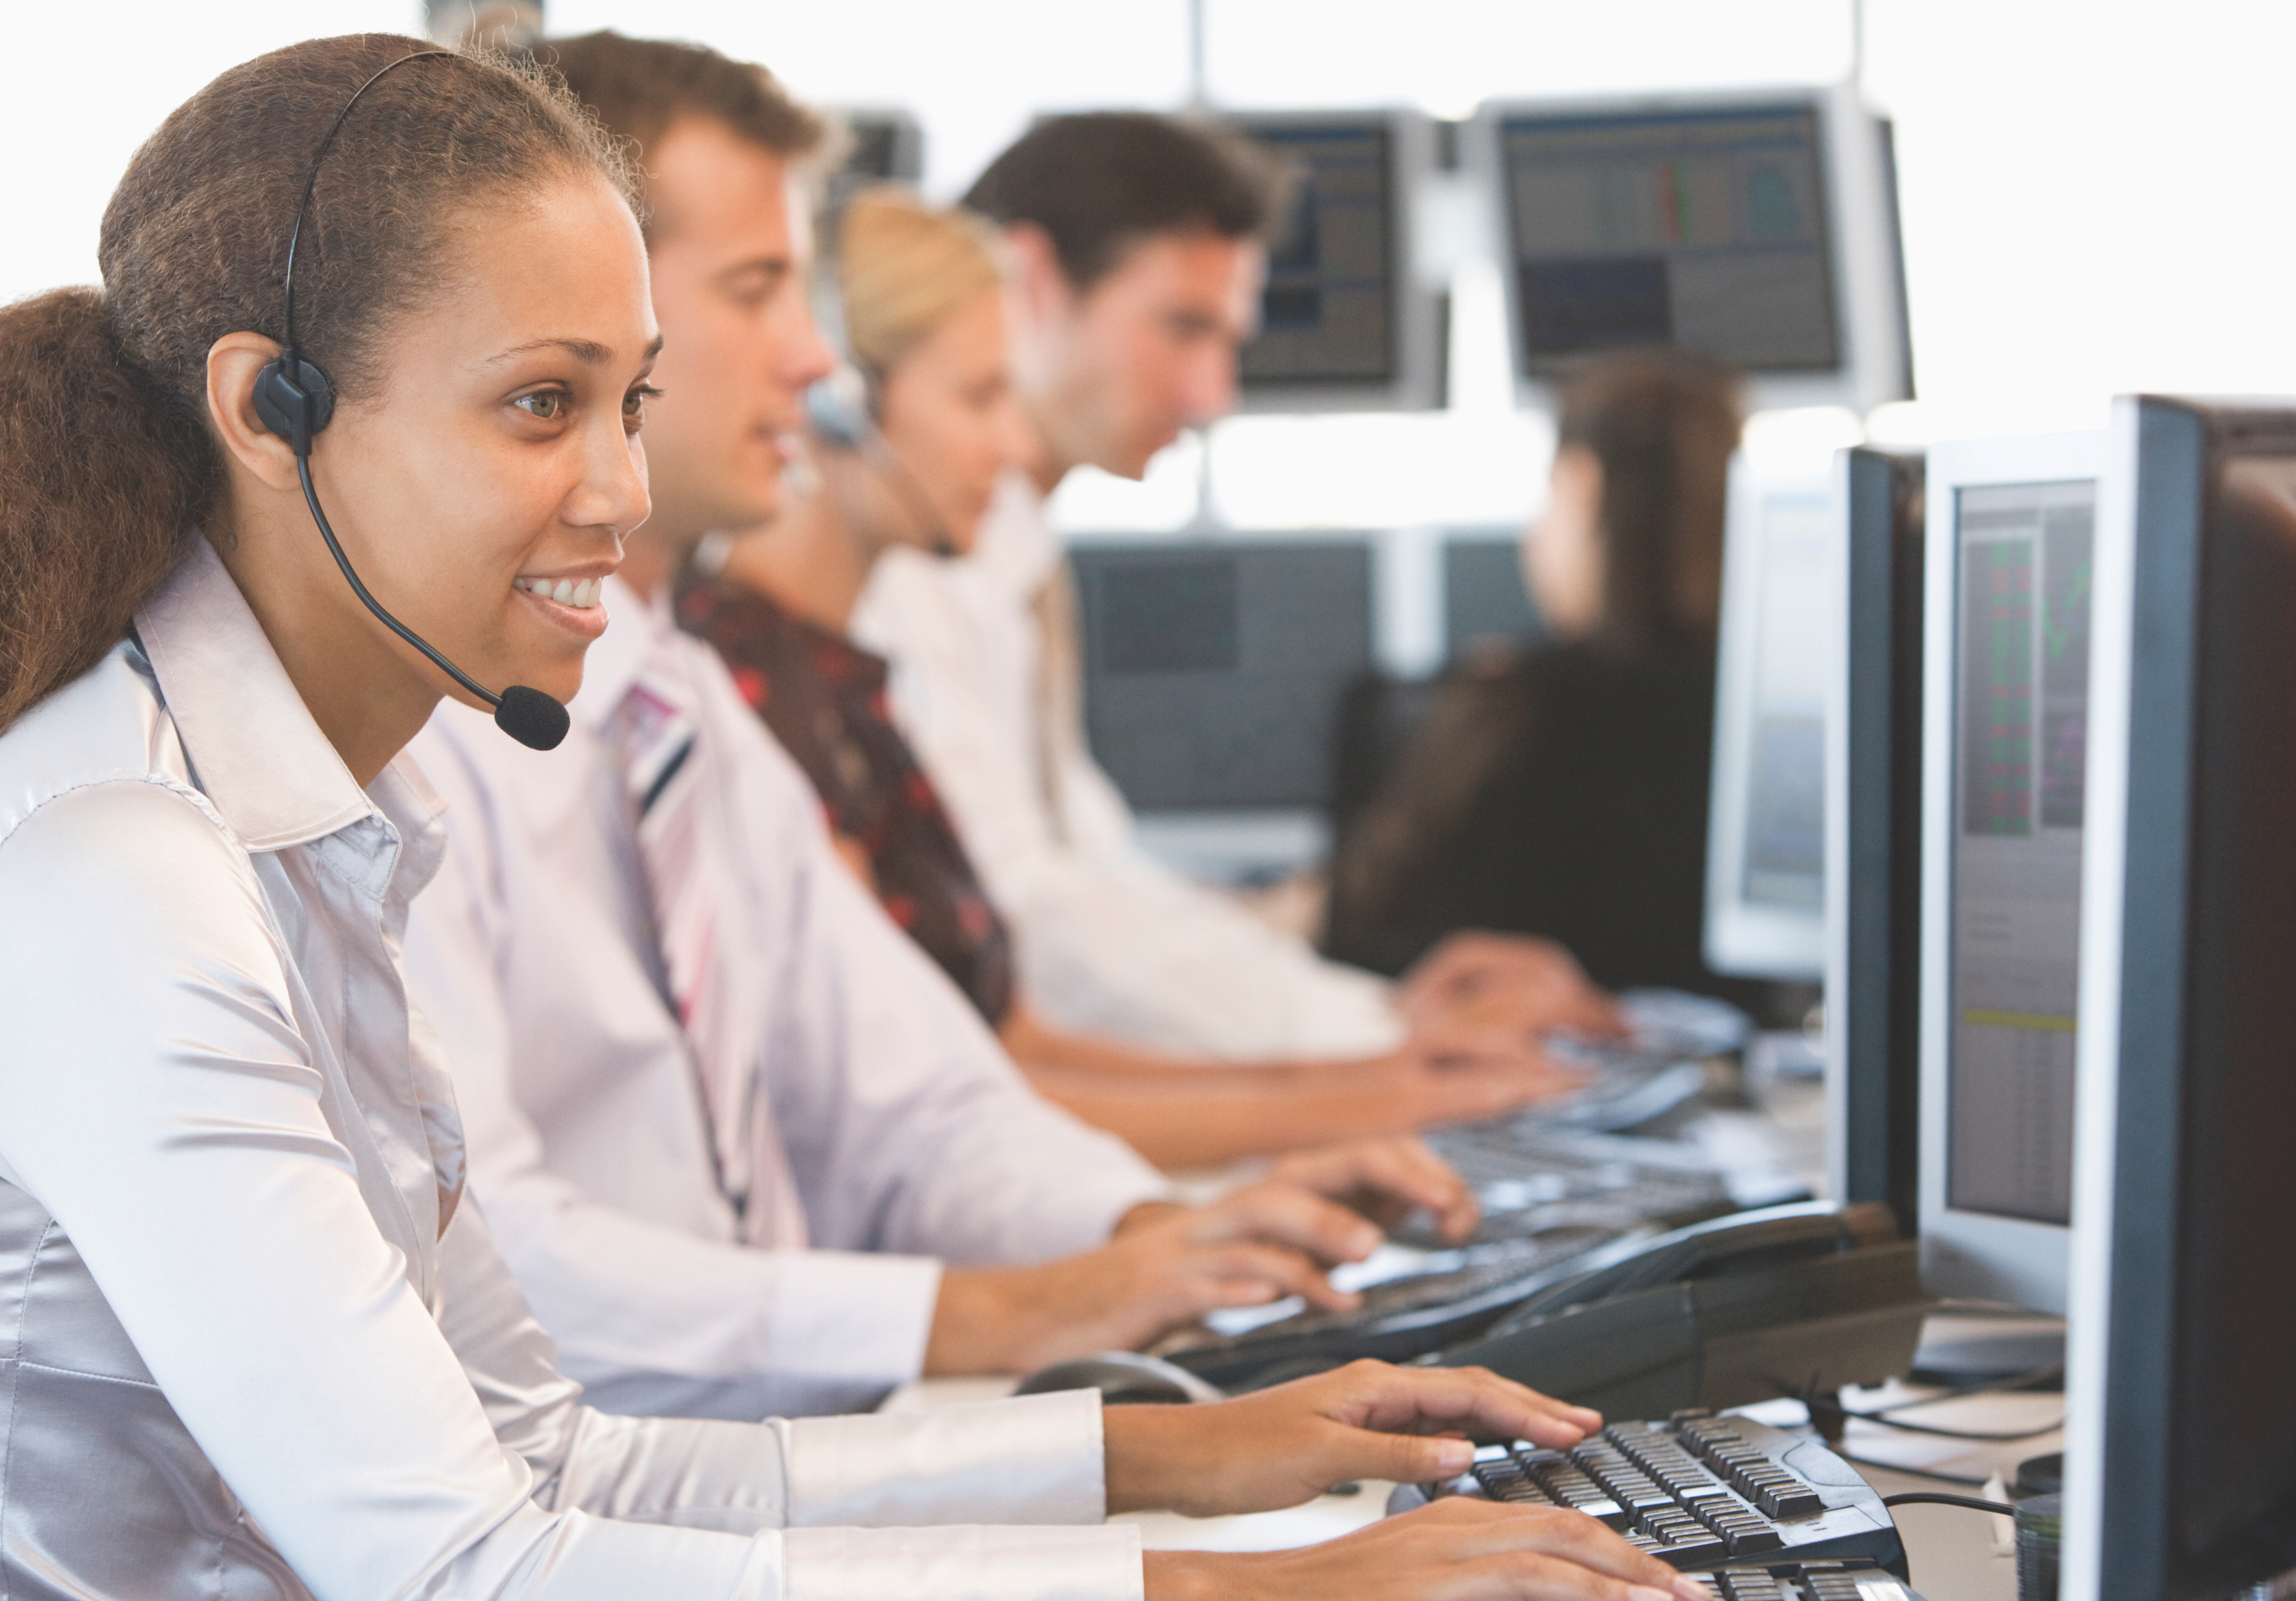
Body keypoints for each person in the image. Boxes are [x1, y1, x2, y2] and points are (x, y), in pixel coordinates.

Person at [0, 39, 1705, 1601]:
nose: (618, 486)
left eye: (631, 400)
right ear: (270, 408)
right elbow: (472, 1594)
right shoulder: (108, 875)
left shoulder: (300, 828)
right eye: (539, 406)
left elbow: (552, 1455)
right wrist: (1207, 1599)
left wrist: (1165, 1456)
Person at [396, 34, 1486, 1423]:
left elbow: (921, 1103)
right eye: (757, 289)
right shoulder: (415, 738)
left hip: (771, 1448)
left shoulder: (679, 708)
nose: (813, 356)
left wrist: (1154, 1233)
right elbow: (500, 1268)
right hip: (636, 1473)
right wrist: (1002, 1312)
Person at [705, 188, 1576, 1168]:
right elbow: (961, 1073)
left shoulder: (849, 682)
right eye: (981, 398)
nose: (1016, 445)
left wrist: (1382, 1070)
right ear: (836, 404)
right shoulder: (766, 690)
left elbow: (1013, 1029)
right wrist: (1373, 1075)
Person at [853, 114, 1619, 1065]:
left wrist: (1374, 1001)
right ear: (1030, 281)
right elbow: (1035, 929)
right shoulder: (907, 573)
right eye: (1182, 328)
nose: (1212, 394)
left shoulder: (1013, 559)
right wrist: (1388, 1036)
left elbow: (1097, 883)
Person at [1322, 351, 1753, 998]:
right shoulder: (1781, 716)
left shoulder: (1500, 712)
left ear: (1581, 488)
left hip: (1499, 1052)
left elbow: (1363, 952)